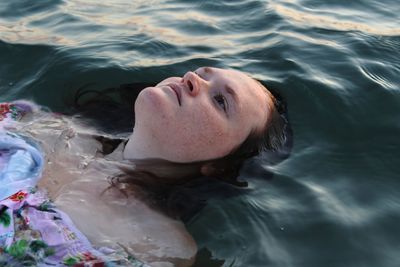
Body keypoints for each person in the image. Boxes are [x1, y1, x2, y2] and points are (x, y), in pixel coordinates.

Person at [1, 67, 290, 267]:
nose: (191, 78)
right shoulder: (44, 124)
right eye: (200, 73)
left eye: (220, 101)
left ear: (220, 167)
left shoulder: (160, 247)